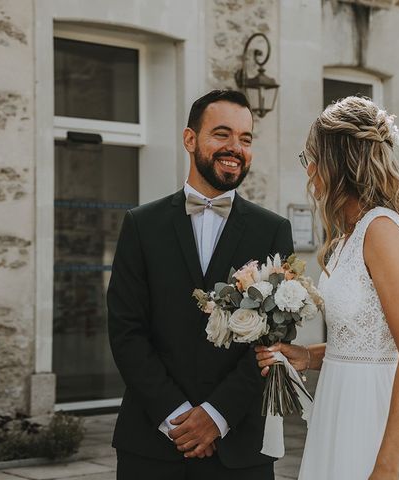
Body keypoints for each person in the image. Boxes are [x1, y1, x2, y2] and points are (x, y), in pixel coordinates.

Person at [107, 89, 293, 480]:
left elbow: (273, 340)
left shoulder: (272, 230)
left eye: (245, 138)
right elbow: (126, 331)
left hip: (240, 445)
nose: (235, 148)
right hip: (152, 443)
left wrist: (216, 415)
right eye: (222, 134)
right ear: (189, 139)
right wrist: (177, 417)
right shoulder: (141, 226)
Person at [256, 96, 399, 479]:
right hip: (338, 405)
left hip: (371, 412)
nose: (308, 169)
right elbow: (364, 338)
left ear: (335, 163)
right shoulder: (349, 236)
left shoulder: (382, 230)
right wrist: (308, 355)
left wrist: (388, 467)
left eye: (311, 157)